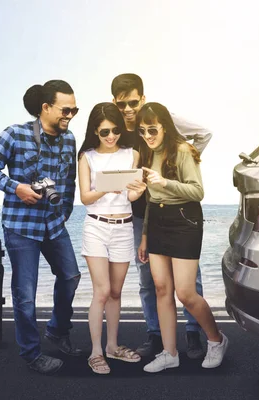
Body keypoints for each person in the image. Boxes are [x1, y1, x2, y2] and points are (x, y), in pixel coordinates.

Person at [0, 80, 82, 375]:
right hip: (21, 226)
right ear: (45, 108)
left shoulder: (69, 138)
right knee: (25, 294)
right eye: (65, 110)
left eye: (75, 110)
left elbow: (70, 180)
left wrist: (65, 211)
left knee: (71, 276)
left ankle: (57, 330)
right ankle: (31, 353)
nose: (70, 115)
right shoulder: (15, 134)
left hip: (54, 223)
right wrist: (16, 188)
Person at [110, 73, 213, 359]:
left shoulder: (159, 117)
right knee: (149, 279)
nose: (128, 110)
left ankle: (194, 333)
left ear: (142, 99)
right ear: (115, 104)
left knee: (189, 281)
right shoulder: (115, 128)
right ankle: (156, 336)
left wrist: (176, 165)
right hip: (142, 213)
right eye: (122, 104)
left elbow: (204, 133)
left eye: (133, 102)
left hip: (175, 208)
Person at [136, 102, 229, 373]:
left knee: (186, 293)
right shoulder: (146, 153)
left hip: (184, 220)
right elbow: (151, 200)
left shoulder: (183, 150)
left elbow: (197, 192)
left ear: (165, 126)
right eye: (142, 131)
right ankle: (169, 353)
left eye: (152, 129)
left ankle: (217, 340)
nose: (148, 136)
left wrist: (164, 182)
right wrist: (144, 237)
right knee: (162, 289)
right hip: (157, 223)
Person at [77, 102, 147, 374]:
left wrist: (138, 191)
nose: (110, 136)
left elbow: (129, 196)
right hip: (96, 226)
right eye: (105, 131)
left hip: (124, 227)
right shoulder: (87, 157)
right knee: (102, 291)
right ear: (95, 130)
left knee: (116, 293)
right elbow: (85, 198)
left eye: (115, 130)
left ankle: (112, 347)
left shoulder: (132, 155)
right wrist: (108, 186)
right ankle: (95, 352)